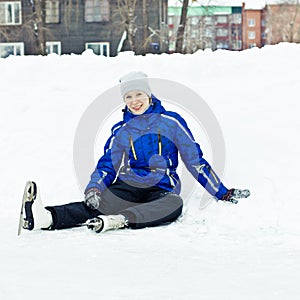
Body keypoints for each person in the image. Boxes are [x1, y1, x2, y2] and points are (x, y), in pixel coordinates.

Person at [22, 71, 250, 234]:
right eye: (128, 97)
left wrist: (221, 192)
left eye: (138, 94)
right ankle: (47, 217)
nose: (134, 101)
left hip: (162, 187)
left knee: (173, 205)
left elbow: (195, 161)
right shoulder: (122, 130)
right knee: (98, 204)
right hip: (130, 184)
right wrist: (94, 188)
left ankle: (120, 220)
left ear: (149, 95)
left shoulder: (171, 123)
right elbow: (107, 165)